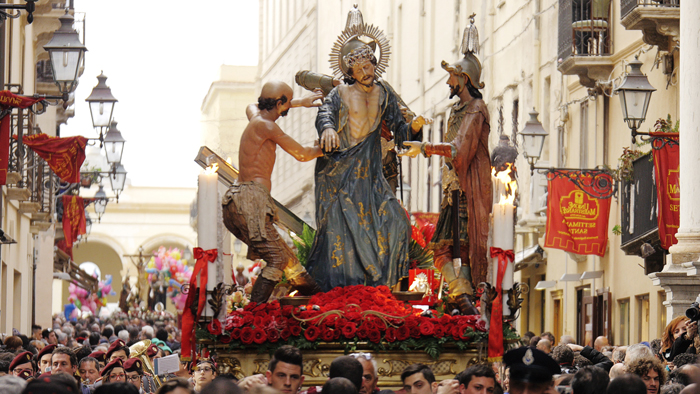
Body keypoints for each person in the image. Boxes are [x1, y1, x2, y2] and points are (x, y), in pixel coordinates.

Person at [306, 16, 431, 293]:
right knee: (344, 230)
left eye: (369, 64)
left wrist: (415, 127)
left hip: (371, 173)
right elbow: (325, 113)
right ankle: (349, 288)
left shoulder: (384, 93)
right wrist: (327, 129)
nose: (366, 71)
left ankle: (381, 285)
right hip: (341, 170)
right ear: (350, 70)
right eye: (360, 67)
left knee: (396, 219)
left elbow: (400, 129)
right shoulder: (340, 93)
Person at [400, 16, 491, 315]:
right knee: (447, 250)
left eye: (452, 76)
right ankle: (462, 300)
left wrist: (424, 148)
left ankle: (465, 301)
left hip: (467, 189)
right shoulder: (459, 109)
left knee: (455, 250)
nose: (448, 81)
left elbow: (460, 149)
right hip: (454, 188)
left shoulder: (475, 110)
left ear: (464, 79)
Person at [222, 80, 324, 303]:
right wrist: (326, 148)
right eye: (286, 103)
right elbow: (302, 154)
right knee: (278, 259)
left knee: (290, 262)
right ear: (279, 103)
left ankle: (319, 298)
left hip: (236, 200)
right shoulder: (267, 126)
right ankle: (253, 316)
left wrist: (299, 103)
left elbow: (251, 104)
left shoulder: (255, 117)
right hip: (250, 201)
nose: (288, 108)